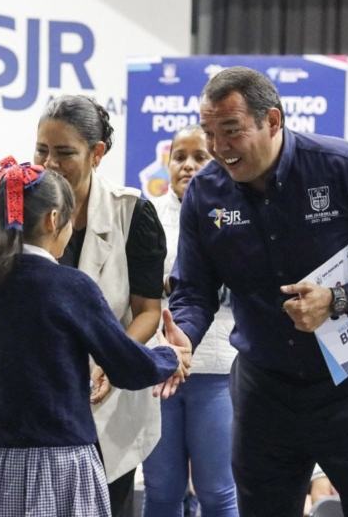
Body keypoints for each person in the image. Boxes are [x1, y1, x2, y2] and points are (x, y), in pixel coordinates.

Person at [160, 67, 348, 516]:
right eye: (210, 133)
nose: (219, 148)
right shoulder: (205, 195)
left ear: (272, 121)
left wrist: (339, 301)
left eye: (231, 131)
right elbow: (193, 289)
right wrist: (184, 333)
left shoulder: (346, 168)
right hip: (264, 391)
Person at [0, 96, 168, 517]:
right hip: (65, 455)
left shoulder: (132, 212)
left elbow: (147, 310)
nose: (50, 163)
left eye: (65, 152)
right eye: (41, 150)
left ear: (97, 153)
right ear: (55, 223)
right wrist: (165, 358)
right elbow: (134, 364)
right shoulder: (23, 216)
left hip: (20, 451)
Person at [141, 125, 239, 517]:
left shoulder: (236, 214)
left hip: (217, 370)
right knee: (162, 490)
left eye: (199, 157)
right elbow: (138, 288)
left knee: (217, 492)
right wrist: (178, 282)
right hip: (159, 371)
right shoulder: (147, 217)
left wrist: (180, 283)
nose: (187, 166)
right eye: (179, 157)